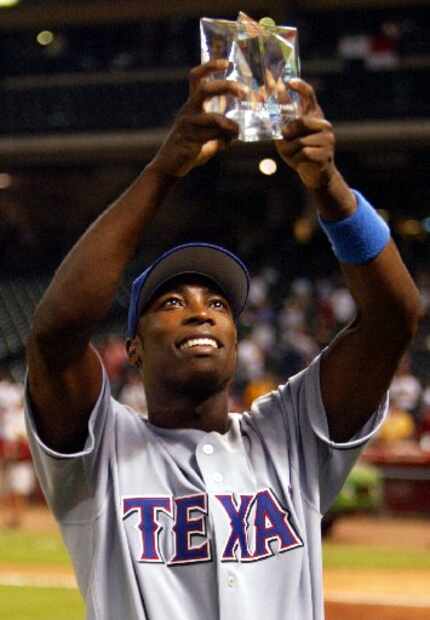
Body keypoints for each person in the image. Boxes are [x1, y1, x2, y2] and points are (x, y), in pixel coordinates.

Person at [25, 59, 420, 620]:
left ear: (236, 337)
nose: (199, 314)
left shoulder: (290, 436)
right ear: (133, 348)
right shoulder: (102, 451)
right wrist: (165, 169)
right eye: (170, 303)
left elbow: (393, 317)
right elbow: (55, 335)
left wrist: (329, 187)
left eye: (217, 304)